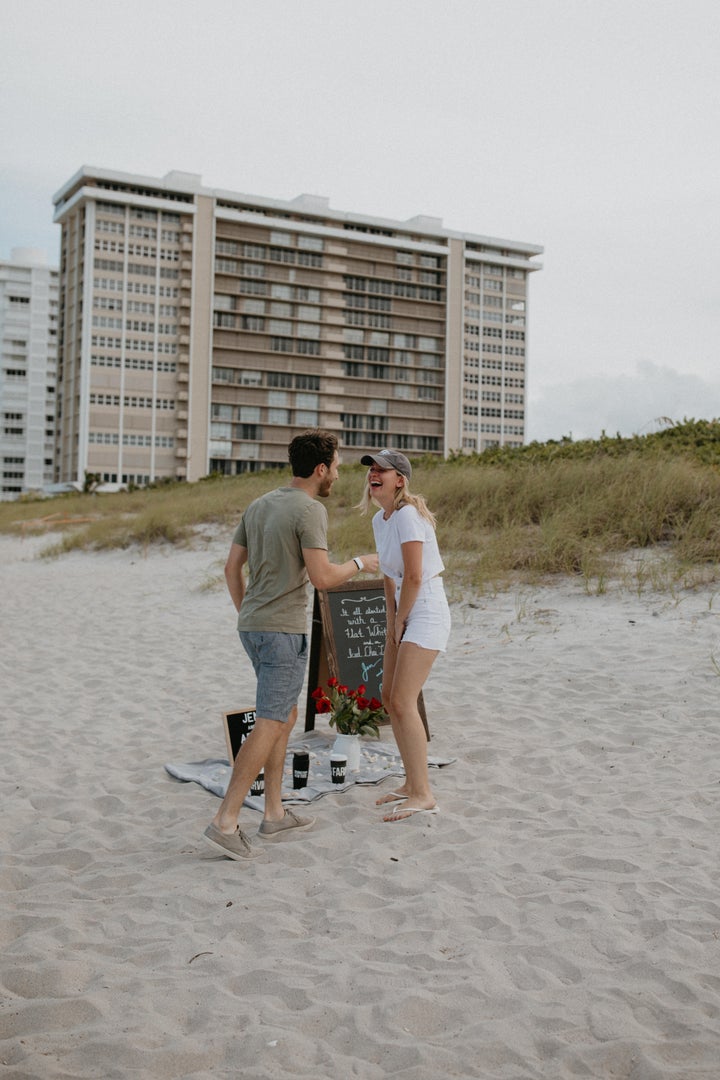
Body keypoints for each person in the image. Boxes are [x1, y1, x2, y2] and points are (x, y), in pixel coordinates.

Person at [204, 430, 379, 861]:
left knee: (284, 714)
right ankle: (225, 821)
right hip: (282, 631)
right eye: (336, 466)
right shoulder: (310, 509)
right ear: (320, 468)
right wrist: (360, 563)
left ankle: (275, 813)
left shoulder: (259, 504)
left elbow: (231, 568)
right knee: (270, 720)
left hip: (254, 626)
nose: (337, 473)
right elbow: (322, 577)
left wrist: (249, 612)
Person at [358, 449, 451, 823]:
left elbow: (414, 575)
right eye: (371, 469)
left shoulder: (409, 516)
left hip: (426, 610)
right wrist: (391, 620)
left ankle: (423, 793)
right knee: (387, 697)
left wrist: (402, 621)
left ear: (400, 479)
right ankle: (412, 783)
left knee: (403, 699)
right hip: (404, 611)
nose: (373, 474)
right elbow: (388, 577)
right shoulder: (383, 520)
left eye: (382, 469)